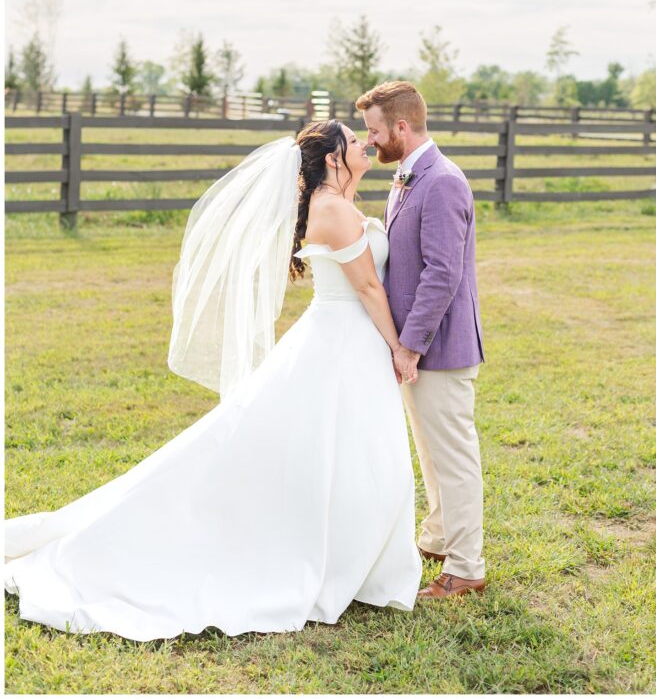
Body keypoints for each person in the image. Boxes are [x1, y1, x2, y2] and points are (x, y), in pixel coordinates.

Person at [5, 121, 422, 641]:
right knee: (335, 449)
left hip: (344, 342)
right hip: (342, 341)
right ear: (335, 159)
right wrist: (400, 346)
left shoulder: (338, 200)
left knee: (348, 451)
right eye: (353, 140)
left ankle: (353, 553)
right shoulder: (333, 209)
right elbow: (366, 287)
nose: (364, 143)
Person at [357, 82, 486, 600]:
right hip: (416, 346)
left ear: (401, 128)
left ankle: (466, 567)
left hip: (440, 345)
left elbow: (442, 275)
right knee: (430, 452)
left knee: (453, 456)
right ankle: (436, 536)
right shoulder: (408, 177)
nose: (370, 141)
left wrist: (409, 345)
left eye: (374, 131)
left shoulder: (443, 182)